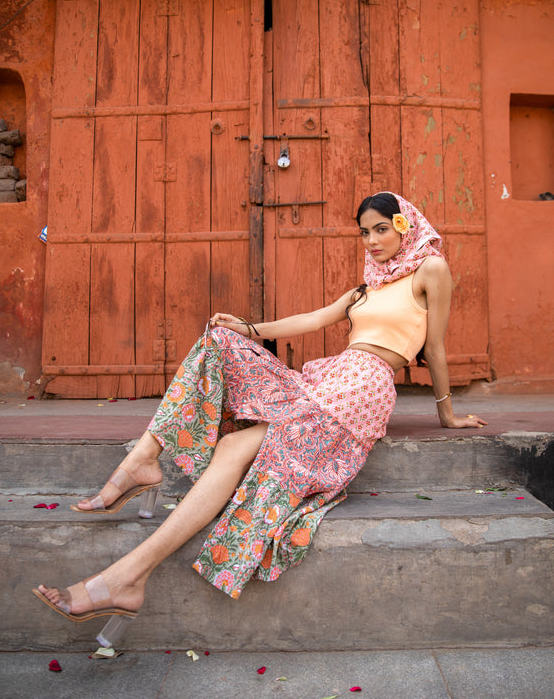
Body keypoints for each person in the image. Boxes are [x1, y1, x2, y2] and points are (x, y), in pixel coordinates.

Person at [33, 192, 486, 648]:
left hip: (362, 389)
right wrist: (247, 329)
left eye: (381, 229)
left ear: (404, 225)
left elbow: (437, 347)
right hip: (325, 378)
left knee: (238, 445)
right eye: (364, 233)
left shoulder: (431, 271)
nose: (371, 241)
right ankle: (144, 462)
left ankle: (126, 573)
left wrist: (447, 415)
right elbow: (310, 319)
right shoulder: (365, 290)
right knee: (220, 343)